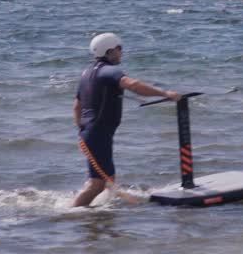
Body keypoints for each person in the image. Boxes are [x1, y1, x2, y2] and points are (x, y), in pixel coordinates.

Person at [73, 33, 179, 207]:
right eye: (119, 49)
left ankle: (102, 213)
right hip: (97, 135)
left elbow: (77, 107)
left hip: (92, 134)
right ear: (110, 51)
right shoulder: (110, 71)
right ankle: (71, 213)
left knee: (108, 180)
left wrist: (83, 132)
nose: (121, 52)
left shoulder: (87, 74)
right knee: (97, 184)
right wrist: (165, 93)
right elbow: (133, 85)